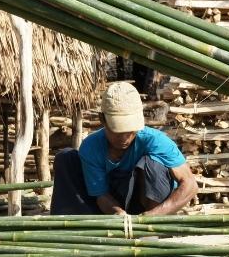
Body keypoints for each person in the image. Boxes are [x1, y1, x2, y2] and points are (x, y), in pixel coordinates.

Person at [50, 82, 197, 215]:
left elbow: (190, 184)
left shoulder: (155, 141)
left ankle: (152, 231)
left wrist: (154, 214)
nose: (125, 137)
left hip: (149, 207)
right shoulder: (91, 147)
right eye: (118, 131)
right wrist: (118, 213)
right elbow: (101, 195)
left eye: (130, 131)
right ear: (103, 120)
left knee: (154, 164)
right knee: (66, 158)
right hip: (111, 205)